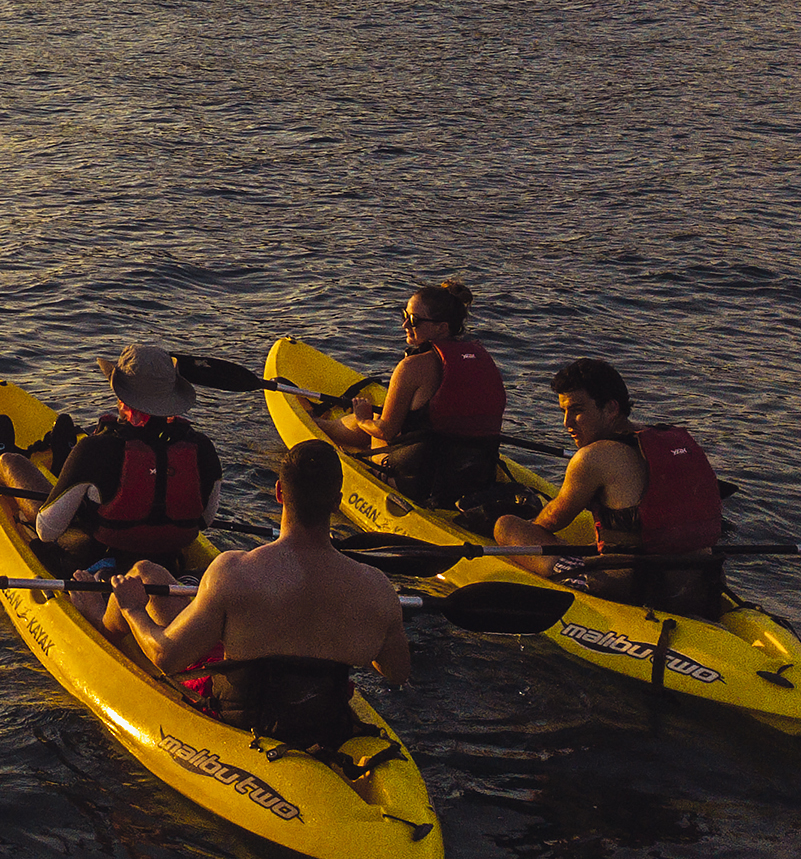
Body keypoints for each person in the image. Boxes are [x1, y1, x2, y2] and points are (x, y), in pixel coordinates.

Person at [107, 441, 413, 749]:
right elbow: (397, 673)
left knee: (145, 574)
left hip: (241, 725)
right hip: (325, 725)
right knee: (153, 576)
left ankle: (99, 624)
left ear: (279, 492)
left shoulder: (234, 571)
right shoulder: (376, 587)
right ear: (337, 502)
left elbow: (167, 657)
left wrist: (133, 608)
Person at [495, 358, 726, 617]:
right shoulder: (672, 441)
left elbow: (552, 520)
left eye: (577, 410)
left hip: (633, 589)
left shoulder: (593, 457)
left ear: (611, 408)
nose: (567, 423)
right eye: (563, 411)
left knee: (506, 526)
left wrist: (532, 527)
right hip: (703, 583)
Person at [0, 344, 223, 575]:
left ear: (122, 398)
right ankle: (64, 465)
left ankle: (1, 457)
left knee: (11, 462)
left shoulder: (96, 449)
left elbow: (47, 531)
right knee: (89, 486)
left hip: (95, 559)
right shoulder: (201, 447)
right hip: (168, 562)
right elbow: (205, 520)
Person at [318, 280, 509, 517]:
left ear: (442, 328)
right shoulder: (479, 358)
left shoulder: (412, 366)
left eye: (415, 320)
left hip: (422, 485)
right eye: (405, 315)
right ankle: (328, 425)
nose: (405, 324)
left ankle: (318, 427)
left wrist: (362, 419)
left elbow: (386, 431)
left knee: (371, 422)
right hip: (477, 476)